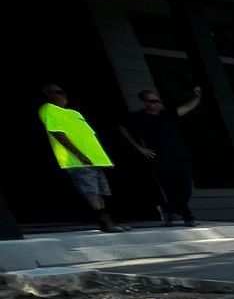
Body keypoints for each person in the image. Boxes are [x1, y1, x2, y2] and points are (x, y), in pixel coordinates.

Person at [37, 83, 120, 232]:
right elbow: (57, 133)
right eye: (55, 92)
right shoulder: (49, 109)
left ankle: (109, 221)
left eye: (61, 91)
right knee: (91, 191)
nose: (61, 95)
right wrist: (79, 155)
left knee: (101, 191)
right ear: (48, 95)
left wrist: (102, 158)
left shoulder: (74, 113)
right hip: (77, 160)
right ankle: (106, 223)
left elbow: (89, 137)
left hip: (95, 160)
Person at [120, 85, 203, 226]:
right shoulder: (138, 117)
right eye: (153, 101)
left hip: (179, 156)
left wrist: (198, 96)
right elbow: (122, 128)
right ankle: (186, 216)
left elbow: (187, 107)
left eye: (158, 101)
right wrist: (139, 147)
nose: (157, 103)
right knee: (169, 187)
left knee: (186, 187)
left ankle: (170, 210)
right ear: (145, 102)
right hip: (159, 158)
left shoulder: (167, 114)